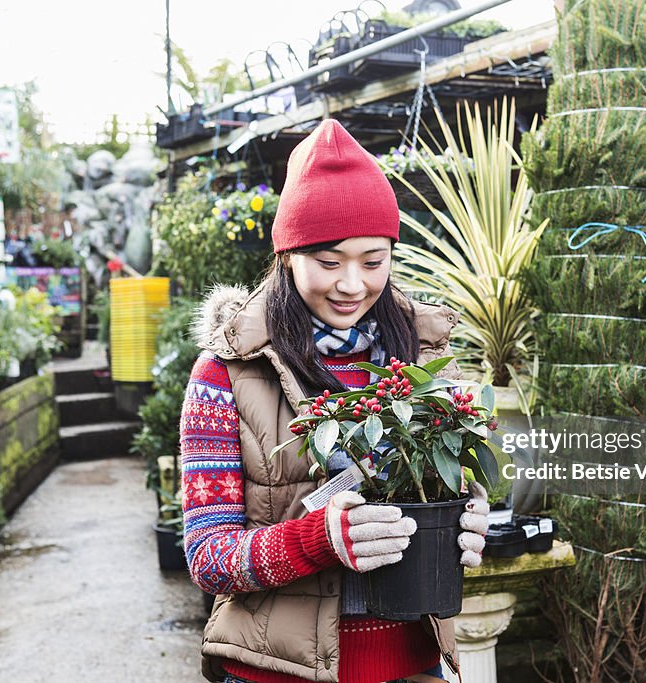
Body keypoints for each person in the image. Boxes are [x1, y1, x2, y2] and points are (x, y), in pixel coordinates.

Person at [180, 119, 489, 683]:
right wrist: (321, 538)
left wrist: (468, 518)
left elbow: (443, 487)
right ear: (288, 255)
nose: (352, 284)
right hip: (276, 671)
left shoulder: (421, 362)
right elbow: (208, 558)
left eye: (373, 262)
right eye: (328, 261)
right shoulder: (225, 374)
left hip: (412, 663)